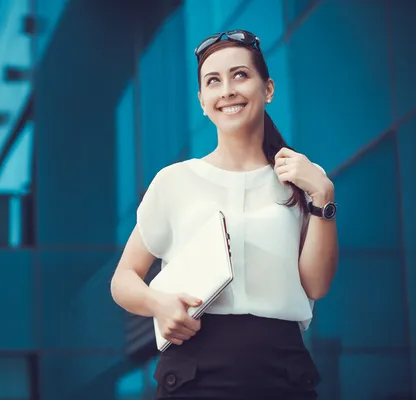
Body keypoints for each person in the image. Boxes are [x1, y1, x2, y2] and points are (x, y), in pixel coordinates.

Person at [110, 30, 338, 399]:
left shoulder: (300, 180)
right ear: (202, 101)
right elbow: (123, 279)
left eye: (240, 75)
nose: (227, 90)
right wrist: (159, 303)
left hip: (283, 371)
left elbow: (316, 286)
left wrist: (323, 196)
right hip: (194, 371)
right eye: (213, 81)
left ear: (268, 89)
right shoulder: (175, 181)